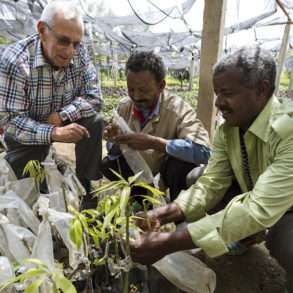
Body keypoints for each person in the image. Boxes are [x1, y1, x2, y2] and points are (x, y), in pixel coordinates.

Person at [130, 46, 293, 293]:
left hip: (287, 207)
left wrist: (169, 242)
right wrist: (164, 214)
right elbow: (212, 183)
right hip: (262, 198)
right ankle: (240, 234)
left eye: (227, 93)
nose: (218, 103)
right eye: (217, 93)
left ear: (261, 89)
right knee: (198, 176)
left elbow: (258, 208)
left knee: (287, 244)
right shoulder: (228, 130)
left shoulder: (287, 130)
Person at [0, 1, 103, 207]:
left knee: (95, 122)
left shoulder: (79, 53)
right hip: (28, 131)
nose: (70, 51)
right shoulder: (15, 61)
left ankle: (88, 190)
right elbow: (10, 121)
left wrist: (61, 117)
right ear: (42, 30)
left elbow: (94, 97)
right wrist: (53, 133)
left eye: (76, 43)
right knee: (30, 186)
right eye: (64, 41)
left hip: (59, 117)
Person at [101, 51, 210, 200]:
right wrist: (114, 141)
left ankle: (176, 214)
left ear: (161, 85)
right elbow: (114, 151)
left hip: (164, 175)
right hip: (140, 172)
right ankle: (138, 201)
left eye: (144, 90)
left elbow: (203, 151)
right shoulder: (125, 107)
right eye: (131, 89)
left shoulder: (178, 110)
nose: (137, 96)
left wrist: (155, 143)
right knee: (107, 164)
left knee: (179, 167)